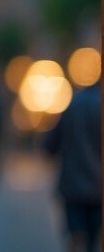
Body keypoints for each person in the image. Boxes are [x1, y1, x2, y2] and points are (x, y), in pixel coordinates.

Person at [44, 82, 101, 252]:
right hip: (99, 187)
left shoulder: (72, 105)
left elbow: (50, 144)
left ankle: (76, 243)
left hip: (72, 184)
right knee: (94, 239)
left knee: (76, 234)